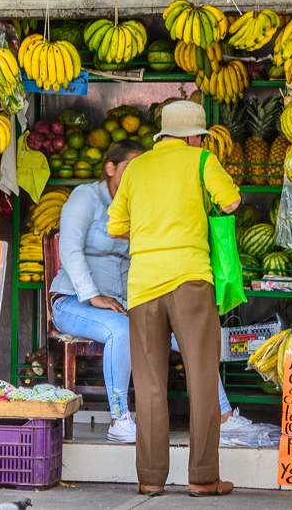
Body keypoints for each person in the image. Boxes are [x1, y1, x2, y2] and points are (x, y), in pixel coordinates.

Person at [49, 141, 241, 444]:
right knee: (122, 330)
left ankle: (224, 415)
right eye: (129, 166)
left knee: (189, 332)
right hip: (73, 302)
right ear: (110, 168)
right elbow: (69, 249)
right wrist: (92, 295)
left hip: (123, 302)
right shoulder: (86, 197)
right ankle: (119, 418)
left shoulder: (139, 202)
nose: (137, 172)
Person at [108, 100, 240, 498]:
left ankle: (150, 478)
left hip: (143, 287)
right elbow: (231, 202)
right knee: (201, 378)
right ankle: (202, 478)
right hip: (190, 282)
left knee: (149, 386)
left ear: (163, 135)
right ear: (193, 136)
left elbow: (116, 227)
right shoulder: (201, 161)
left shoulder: (137, 168)